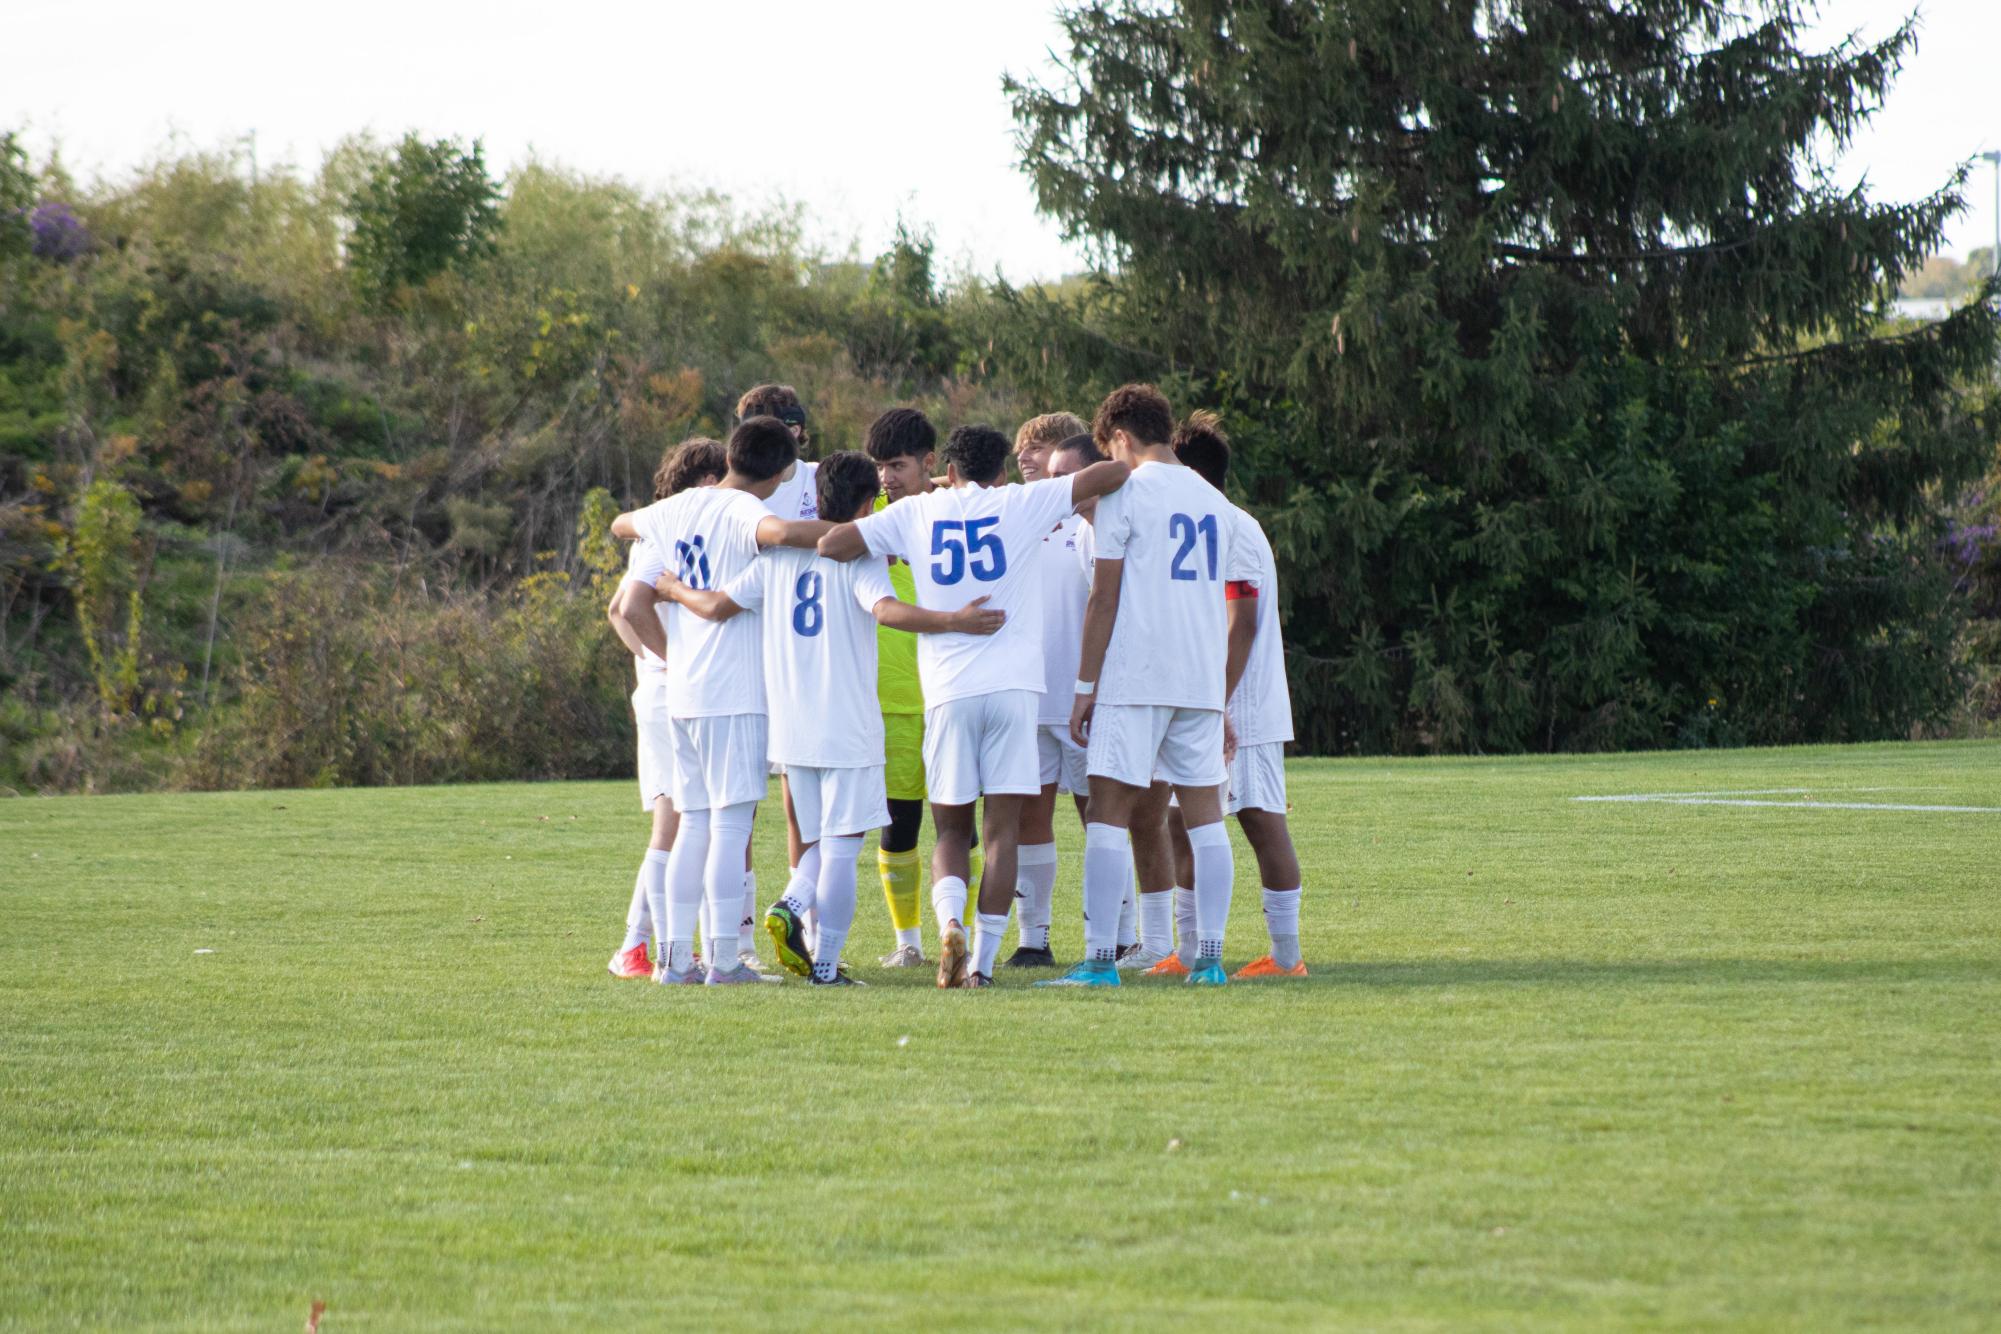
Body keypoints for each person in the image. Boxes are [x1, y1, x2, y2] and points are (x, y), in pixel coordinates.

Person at [656, 452, 1008, 984]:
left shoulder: (775, 560)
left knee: (817, 843)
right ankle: (820, 959)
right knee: (843, 847)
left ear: (817, 497)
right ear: (869, 504)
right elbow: (886, 612)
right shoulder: (859, 560)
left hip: (791, 725)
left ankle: (783, 906)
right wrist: (952, 621)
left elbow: (715, 607)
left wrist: (672, 588)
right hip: (847, 723)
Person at [820, 425, 1131, 987]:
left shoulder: (915, 514)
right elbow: (1111, 474)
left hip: (946, 691)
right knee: (1002, 830)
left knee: (948, 832)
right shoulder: (1021, 500)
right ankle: (983, 965)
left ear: (950, 470)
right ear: (1002, 471)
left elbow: (833, 545)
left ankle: (947, 925)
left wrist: (928, 502)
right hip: (1014, 690)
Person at [1040, 384, 1261, 989]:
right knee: (1205, 818)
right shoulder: (1215, 501)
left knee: (1108, 814)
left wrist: (1084, 685)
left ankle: (1099, 963)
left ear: (1119, 438)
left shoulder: (1123, 491)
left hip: (1134, 678)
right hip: (1198, 681)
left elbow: (1103, 597)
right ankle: (1209, 960)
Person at [610, 417, 829, 985]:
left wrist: (674, 656)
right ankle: (725, 961)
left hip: (683, 691)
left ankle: (675, 960)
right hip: (735, 690)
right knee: (730, 828)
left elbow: (620, 524)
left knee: (694, 825)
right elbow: (784, 536)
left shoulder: (678, 506)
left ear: (731, 454)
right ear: (782, 473)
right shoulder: (748, 512)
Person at [1162, 413, 1307, 979]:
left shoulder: (1234, 528)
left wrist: (1216, 702)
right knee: (1182, 822)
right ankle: (1190, 949)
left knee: (1259, 820)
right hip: (1202, 701)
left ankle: (1287, 956)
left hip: (1241, 706)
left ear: (1192, 472)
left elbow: (1241, 624)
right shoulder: (1197, 525)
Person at [859, 408, 981, 968]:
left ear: (929, 463)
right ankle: (908, 943)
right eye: (880, 466)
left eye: (898, 465)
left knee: (958, 824)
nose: (886, 476)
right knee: (898, 825)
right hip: (892, 699)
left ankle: (964, 931)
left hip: (952, 690)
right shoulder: (871, 517)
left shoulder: (950, 513)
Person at [603, 437, 725, 979]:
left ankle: (648, 945)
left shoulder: (664, 525)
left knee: (677, 820)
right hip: (672, 694)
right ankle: (640, 948)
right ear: (704, 481)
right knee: (676, 822)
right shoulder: (668, 529)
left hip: (663, 692)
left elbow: (616, 611)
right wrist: (672, 664)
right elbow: (625, 607)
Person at [1003, 414, 1093, 968]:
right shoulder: (1011, 514)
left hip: (1083, 694)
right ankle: (1033, 938)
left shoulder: (1089, 519)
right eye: (1020, 450)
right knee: (1028, 818)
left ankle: (1119, 934)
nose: (1026, 457)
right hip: (1026, 692)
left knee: (1099, 815)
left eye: (1038, 447)